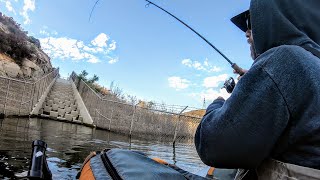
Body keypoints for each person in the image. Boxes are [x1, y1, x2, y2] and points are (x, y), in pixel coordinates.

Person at [195, 0, 320, 179]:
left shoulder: (284, 60)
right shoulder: (311, 65)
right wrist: (256, 78)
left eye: (251, 22)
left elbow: (210, 145)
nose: (246, 33)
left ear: (276, 19)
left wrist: (220, 99)